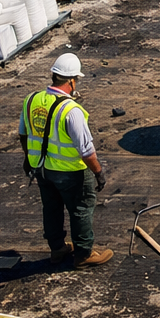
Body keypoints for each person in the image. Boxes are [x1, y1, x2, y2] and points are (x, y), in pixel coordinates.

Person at [19, 54, 111, 267]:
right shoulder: (71, 110)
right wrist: (98, 172)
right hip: (70, 172)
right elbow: (86, 150)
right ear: (71, 81)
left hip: (41, 168)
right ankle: (84, 253)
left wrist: (28, 160)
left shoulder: (31, 100)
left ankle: (57, 249)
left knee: (51, 208)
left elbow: (23, 133)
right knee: (81, 208)